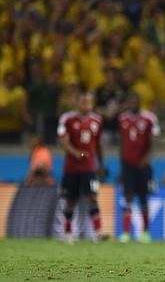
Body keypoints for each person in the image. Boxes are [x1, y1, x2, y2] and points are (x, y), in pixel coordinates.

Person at [57, 90, 108, 244]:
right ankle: (67, 233)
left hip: (89, 167)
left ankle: (98, 232)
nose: (86, 104)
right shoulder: (67, 119)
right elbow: (63, 141)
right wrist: (76, 152)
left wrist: (101, 164)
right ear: (77, 103)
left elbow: (98, 144)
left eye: (89, 102)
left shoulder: (97, 121)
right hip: (71, 168)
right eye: (83, 101)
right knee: (71, 200)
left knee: (92, 197)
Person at [117, 93, 160, 243]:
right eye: (130, 101)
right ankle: (126, 232)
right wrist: (122, 164)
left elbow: (154, 141)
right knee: (127, 197)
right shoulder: (123, 119)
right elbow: (122, 143)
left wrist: (147, 159)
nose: (132, 104)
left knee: (143, 198)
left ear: (139, 103)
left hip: (143, 166)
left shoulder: (149, 118)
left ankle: (145, 232)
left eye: (135, 101)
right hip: (128, 165)